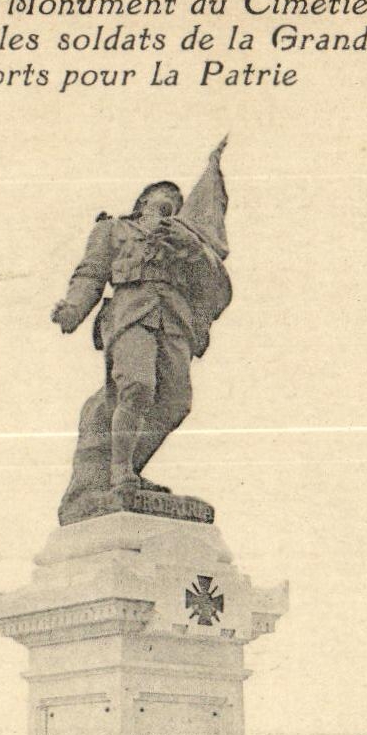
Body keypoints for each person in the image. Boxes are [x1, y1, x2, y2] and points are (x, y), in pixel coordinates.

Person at [52, 142, 231, 517]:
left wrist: (192, 248)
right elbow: (91, 272)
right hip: (131, 313)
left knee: (176, 402)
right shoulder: (114, 229)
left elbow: (213, 282)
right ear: (144, 200)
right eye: (161, 196)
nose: (170, 201)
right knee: (136, 386)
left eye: (176, 200)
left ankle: (130, 467)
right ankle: (119, 475)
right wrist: (73, 309)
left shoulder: (186, 240)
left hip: (175, 322)